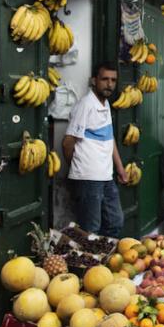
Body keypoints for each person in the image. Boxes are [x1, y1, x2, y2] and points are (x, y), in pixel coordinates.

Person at [62, 61, 127, 238]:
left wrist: (120, 168)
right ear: (94, 81)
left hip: (106, 176)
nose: (109, 84)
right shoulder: (86, 105)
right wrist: (77, 167)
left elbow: (109, 137)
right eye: (105, 79)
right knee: (91, 228)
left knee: (115, 222)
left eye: (113, 80)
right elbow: (67, 142)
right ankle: (91, 264)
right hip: (88, 178)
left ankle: (103, 261)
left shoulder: (104, 104)